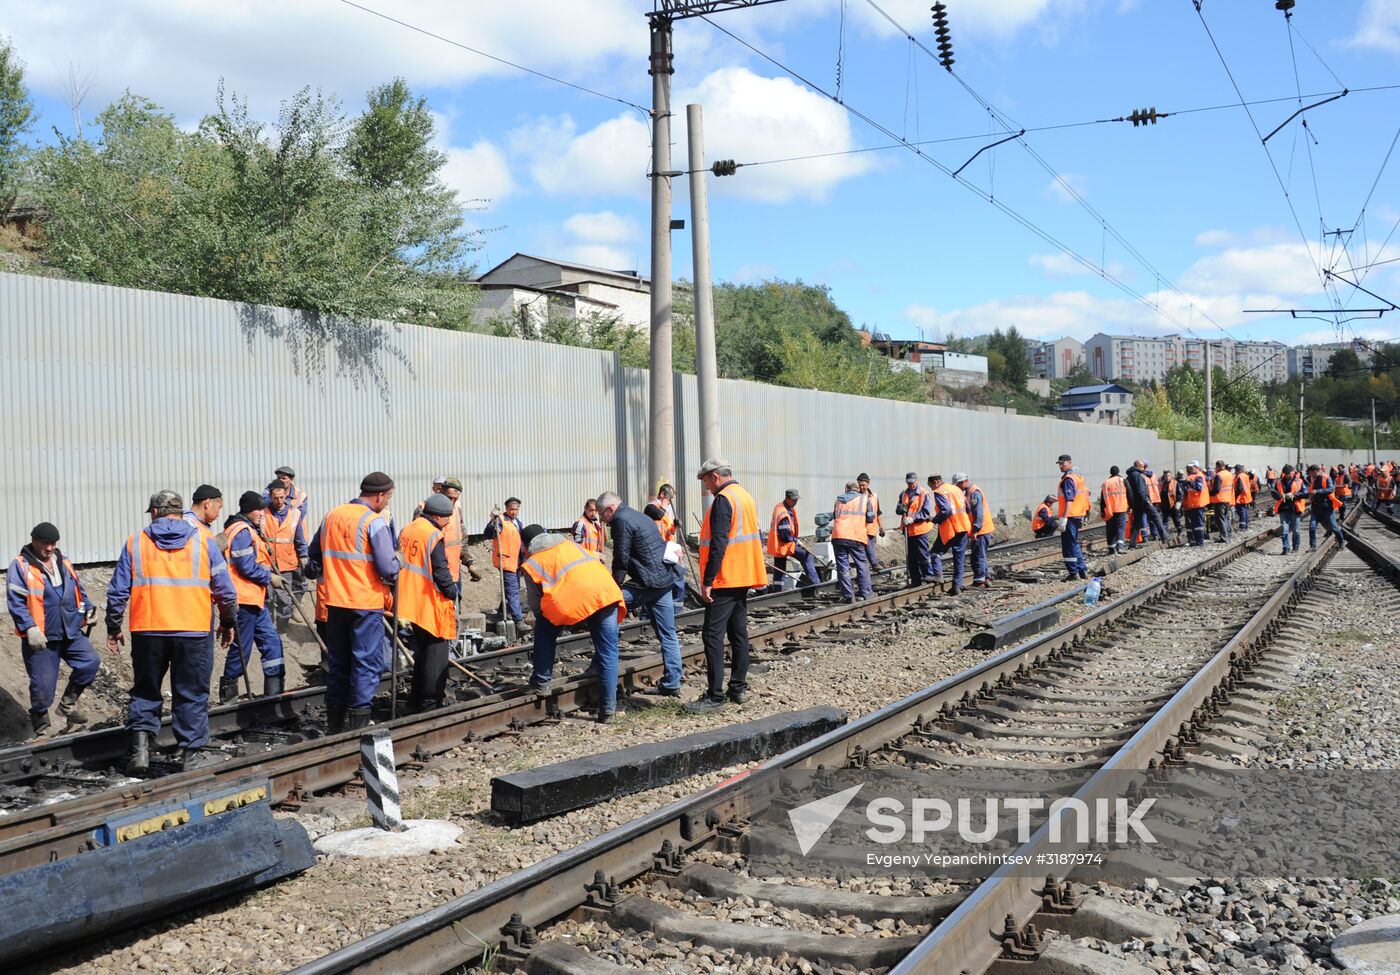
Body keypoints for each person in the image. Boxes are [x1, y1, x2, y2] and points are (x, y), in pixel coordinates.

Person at [106, 490, 238, 773]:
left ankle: (141, 749)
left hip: (148, 629)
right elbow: (225, 591)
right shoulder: (204, 541)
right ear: (179, 513)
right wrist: (227, 621)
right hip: (193, 630)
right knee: (190, 691)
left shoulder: (136, 542)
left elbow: (117, 591)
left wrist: (113, 626)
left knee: (145, 689)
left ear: (154, 512)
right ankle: (190, 755)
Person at [306, 472, 400, 732]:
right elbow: (388, 568)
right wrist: (398, 564)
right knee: (366, 662)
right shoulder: (374, 521)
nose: (387, 503)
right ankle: (359, 724)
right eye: (388, 498)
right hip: (365, 603)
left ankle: (335, 725)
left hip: (335, 602)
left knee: (339, 662)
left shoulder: (331, 516)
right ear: (379, 495)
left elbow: (314, 557)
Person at [521, 523, 626, 722]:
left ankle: (541, 681)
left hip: (572, 601)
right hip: (605, 593)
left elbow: (536, 604)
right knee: (609, 652)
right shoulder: (571, 545)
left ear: (526, 545)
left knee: (544, 631)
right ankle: (608, 711)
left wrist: (554, 622)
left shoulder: (532, 562)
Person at [686, 459, 766, 713]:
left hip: (726, 576)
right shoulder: (744, 496)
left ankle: (715, 696)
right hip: (743, 575)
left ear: (715, 477)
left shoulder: (723, 500)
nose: (707, 488)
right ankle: (738, 687)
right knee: (738, 633)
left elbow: (719, 543)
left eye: (706, 482)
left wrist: (708, 581)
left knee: (712, 635)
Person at [7, 523, 100, 738]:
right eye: (45, 543)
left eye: (53, 544)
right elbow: (16, 601)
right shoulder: (20, 566)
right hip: (42, 637)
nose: (50, 548)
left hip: (71, 630)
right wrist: (29, 627)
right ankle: (41, 728)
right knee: (42, 687)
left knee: (90, 663)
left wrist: (88, 609)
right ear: (34, 540)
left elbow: (78, 591)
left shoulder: (63, 562)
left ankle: (68, 704)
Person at [599, 490, 683, 696]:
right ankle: (672, 683)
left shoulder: (621, 521)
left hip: (646, 583)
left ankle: (599, 664)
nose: (602, 520)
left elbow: (621, 558)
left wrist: (614, 587)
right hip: (663, 580)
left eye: (602, 515)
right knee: (668, 634)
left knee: (607, 608)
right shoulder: (639, 515)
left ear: (610, 509)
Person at [220, 492, 287, 703]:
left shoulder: (248, 529)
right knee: (242, 647)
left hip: (255, 600)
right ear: (249, 509)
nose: (262, 513)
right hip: (243, 600)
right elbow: (246, 566)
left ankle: (274, 693)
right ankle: (229, 695)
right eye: (259, 510)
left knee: (272, 642)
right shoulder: (241, 531)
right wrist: (270, 577)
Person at [397, 493, 460, 712]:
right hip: (429, 603)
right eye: (447, 517)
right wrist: (452, 593)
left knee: (422, 653)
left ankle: (416, 700)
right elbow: (441, 572)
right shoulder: (432, 535)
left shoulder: (409, 528)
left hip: (409, 601)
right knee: (436, 656)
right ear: (436, 516)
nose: (449, 522)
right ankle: (430, 703)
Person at [262, 481, 309, 629]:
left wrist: (303, 556)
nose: (279, 501)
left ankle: (282, 628)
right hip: (267, 563)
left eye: (282, 497)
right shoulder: (263, 514)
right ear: (270, 497)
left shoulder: (294, 514)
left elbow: (300, 539)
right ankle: (268, 627)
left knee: (285, 598)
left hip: (287, 563)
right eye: (276, 498)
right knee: (268, 598)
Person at [484, 497, 528, 634]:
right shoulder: (500, 520)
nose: (514, 512)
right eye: (511, 509)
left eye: (516, 509)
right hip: (506, 561)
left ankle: (500, 613)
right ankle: (518, 620)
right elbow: (489, 534)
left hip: (517, 562)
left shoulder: (517, 523)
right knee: (513, 590)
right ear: (506, 508)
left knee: (511, 589)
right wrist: (492, 520)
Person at [767, 489, 820, 590]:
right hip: (784, 543)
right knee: (806, 556)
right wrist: (796, 541)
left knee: (780, 569)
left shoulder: (783, 507)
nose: (796, 502)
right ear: (787, 499)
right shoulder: (783, 512)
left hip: (778, 545)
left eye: (796, 500)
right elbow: (785, 535)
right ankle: (815, 583)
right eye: (794, 500)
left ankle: (777, 592)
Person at [830, 482, 874, 602]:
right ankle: (866, 592)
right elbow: (871, 518)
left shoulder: (838, 501)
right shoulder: (864, 500)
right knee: (861, 564)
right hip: (856, 536)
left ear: (846, 489)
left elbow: (835, 516)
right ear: (857, 489)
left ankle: (848, 596)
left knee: (843, 567)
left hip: (838, 536)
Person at [645, 483, 686, 609]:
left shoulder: (666, 513)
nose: (670, 502)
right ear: (662, 494)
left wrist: (675, 526)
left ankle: (676, 610)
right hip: (657, 552)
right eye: (669, 497)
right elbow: (656, 515)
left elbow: (669, 532)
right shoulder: (652, 507)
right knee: (658, 584)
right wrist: (664, 502)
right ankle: (648, 613)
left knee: (678, 579)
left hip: (669, 551)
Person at [930, 474, 970, 595]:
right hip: (963, 526)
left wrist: (935, 519)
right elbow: (967, 507)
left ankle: (938, 576)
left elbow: (946, 510)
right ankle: (957, 586)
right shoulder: (956, 489)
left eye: (931, 485)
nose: (931, 489)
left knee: (935, 553)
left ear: (936, 482)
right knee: (959, 558)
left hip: (950, 528)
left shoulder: (939, 491)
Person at [954, 474, 994, 589]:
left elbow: (978, 513)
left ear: (964, 482)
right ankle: (986, 578)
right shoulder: (970, 492)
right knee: (980, 555)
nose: (957, 487)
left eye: (958, 484)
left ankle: (979, 581)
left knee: (978, 555)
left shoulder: (974, 493)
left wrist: (975, 530)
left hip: (981, 530)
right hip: (981, 529)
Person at [896, 473, 935, 587]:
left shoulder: (923, 494)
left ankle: (928, 575)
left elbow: (926, 513)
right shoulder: (903, 494)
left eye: (913, 482)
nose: (911, 484)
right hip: (908, 531)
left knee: (922, 554)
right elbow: (898, 509)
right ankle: (915, 579)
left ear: (917, 481)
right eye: (909, 482)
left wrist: (913, 518)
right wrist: (900, 509)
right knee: (911, 556)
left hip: (920, 529)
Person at [1057, 454, 1090, 580]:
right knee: (1074, 543)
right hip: (1077, 514)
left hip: (1070, 515)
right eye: (1059, 463)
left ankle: (1073, 572)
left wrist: (1064, 518)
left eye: (1063, 463)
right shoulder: (1078, 477)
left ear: (1069, 462)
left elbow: (1069, 500)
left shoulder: (1068, 479)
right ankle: (1082, 571)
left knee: (1069, 545)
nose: (1060, 466)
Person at [1126, 460, 1167, 544]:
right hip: (1143, 501)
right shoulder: (1137, 475)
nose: (1144, 468)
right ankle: (1165, 538)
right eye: (1143, 467)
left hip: (1135, 503)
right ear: (1139, 466)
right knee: (1156, 517)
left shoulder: (1129, 475)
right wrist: (1147, 500)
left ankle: (1132, 543)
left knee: (1136, 523)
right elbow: (1140, 490)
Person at [1306, 465, 1345, 550]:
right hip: (1315, 508)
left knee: (1334, 527)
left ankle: (1341, 542)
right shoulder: (1313, 480)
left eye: (1311, 472)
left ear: (1315, 471)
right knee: (1312, 527)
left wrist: (1318, 491)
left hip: (1326, 508)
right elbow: (1310, 492)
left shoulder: (1326, 478)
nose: (1310, 474)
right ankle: (1312, 546)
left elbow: (1331, 489)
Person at [1271, 464, 1306, 555]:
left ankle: (1295, 546)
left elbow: (1305, 493)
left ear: (1293, 472)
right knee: (1284, 529)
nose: (1287, 475)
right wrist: (1280, 495)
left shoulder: (1300, 481)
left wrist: (1294, 495)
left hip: (1295, 508)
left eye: (1289, 474)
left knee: (1296, 530)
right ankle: (1286, 548)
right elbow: (1273, 492)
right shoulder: (1280, 482)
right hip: (1284, 508)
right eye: (1285, 474)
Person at [856, 473, 885, 568]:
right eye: (859, 485)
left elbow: (878, 513)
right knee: (866, 547)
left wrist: (881, 527)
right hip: (861, 529)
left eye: (863, 485)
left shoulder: (874, 496)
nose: (861, 487)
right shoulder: (856, 496)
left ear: (868, 484)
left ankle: (866, 572)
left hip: (872, 529)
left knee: (869, 549)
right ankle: (874, 564)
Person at [1099, 466, 1129, 554]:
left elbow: (1102, 499)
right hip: (1121, 508)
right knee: (1120, 528)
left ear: (1110, 473)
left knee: (1110, 529)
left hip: (1109, 509)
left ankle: (1111, 549)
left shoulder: (1106, 483)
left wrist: (1102, 510)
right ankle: (1120, 547)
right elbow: (1129, 494)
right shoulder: (1123, 481)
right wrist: (1130, 507)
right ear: (1118, 472)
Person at [1181, 462, 1209, 547]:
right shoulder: (1193, 476)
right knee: (1195, 524)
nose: (1190, 469)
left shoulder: (1199, 476)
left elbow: (1198, 487)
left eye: (1191, 467)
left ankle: (1200, 542)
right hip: (1194, 504)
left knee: (1198, 524)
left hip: (1198, 504)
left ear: (1196, 467)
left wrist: (1188, 483)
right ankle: (1197, 541)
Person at [1209, 461, 1235, 543]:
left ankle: (1224, 537)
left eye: (1216, 467)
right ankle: (1227, 535)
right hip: (1227, 499)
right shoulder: (1229, 474)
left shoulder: (1219, 475)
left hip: (1219, 500)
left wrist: (1209, 493)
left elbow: (1216, 489)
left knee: (1220, 519)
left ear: (1218, 466)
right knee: (1225, 518)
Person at [1159, 469, 1183, 538]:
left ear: (1171, 476)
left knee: (1176, 520)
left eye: (1169, 476)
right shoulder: (1161, 484)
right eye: (1166, 476)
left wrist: (1178, 503)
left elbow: (1180, 494)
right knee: (1165, 521)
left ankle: (1179, 532)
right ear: (1164, 476)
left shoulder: (1175, 483)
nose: (1167, 477)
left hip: (1173, 505)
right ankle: (1165, 535)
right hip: (1164, 506)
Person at [1233, 464, 1253, 529]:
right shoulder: (1245, 475)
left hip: (1241, 497)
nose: (1234, 472)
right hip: (1246, 496)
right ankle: (1245, 524)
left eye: (1235, 470)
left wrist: (1235, 496)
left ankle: (1242, 526)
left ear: (1237, 470)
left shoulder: (1239, 476)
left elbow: (1239, 488)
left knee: (1241, 511)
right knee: (1244, 510)